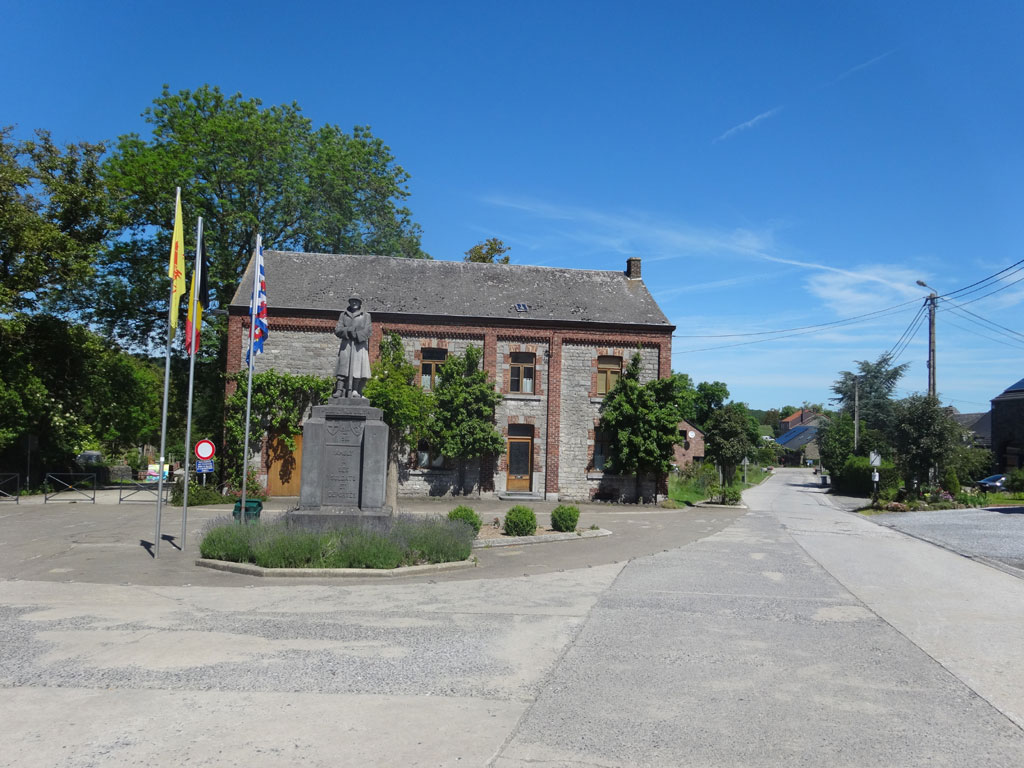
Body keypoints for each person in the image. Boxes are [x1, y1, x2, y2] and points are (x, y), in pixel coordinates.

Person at [332, 295, 371, 398]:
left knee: (358, 369)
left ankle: (355, 390)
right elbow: (338, 330)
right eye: (352, 301)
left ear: (360, 303)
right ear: (349, 302)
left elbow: (368, 331)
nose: (354, 303)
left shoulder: (366, 316)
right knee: (343, 367)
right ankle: (340, 390)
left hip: (359, 345)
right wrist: (348, 331)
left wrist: (357, 334)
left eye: (356, 301)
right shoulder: (343, 315)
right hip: (347, 345)